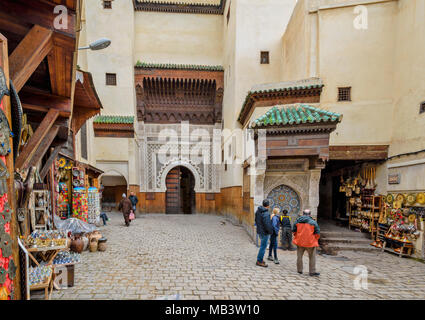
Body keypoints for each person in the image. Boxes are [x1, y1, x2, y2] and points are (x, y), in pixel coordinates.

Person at [292, 209, 321, 276]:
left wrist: (298, 237)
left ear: (303, 214)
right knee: (312, 257)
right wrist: (314, 239)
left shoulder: (297, 221)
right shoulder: (313, 222)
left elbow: (294, 231)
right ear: (310, 214)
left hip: (300, 242)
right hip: (310, 242)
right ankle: (312, 271)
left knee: (299, 257)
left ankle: (299, 270)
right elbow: (317, 233)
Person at [255, 199, 273, 267]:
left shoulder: (258, 211)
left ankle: (260, 259)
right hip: (265, 232)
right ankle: (259, 260)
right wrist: (270, 231)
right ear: (268, 205)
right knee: (263, 247)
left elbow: (256, 221)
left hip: (260, 231)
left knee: (262, 246)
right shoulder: (266, 213)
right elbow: (267, 224)